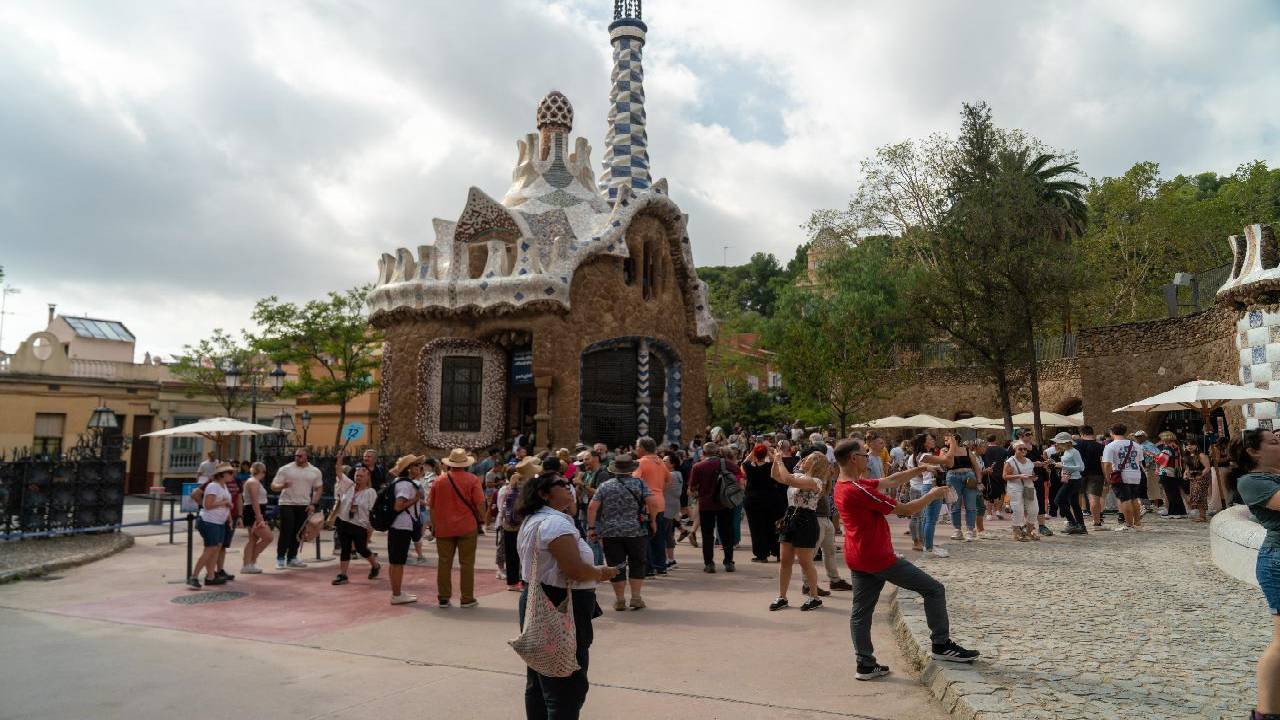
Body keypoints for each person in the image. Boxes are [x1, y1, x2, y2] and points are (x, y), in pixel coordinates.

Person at [832, 438, 978, 680]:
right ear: (853, 458)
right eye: (864, 454)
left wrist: (921, 469)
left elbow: (890, 481)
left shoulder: (845, 484)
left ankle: (865, 665)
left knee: (860, 613)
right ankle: (941, 645)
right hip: (877, 557)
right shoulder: (858, 490)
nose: (868, 457)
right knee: (934, 590)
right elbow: (907, 509)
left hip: (857, 556)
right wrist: (933, 494)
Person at [517, 466, 633, 718]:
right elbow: (576, 570)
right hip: (559, 604)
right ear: (544, 493)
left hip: (538, 598)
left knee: (540, 680)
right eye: (560, 483)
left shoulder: (534, 520)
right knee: (566, 687)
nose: (567, 484)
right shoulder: (555, 523)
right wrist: (599, 572)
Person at [1229, 429, 1280, 720]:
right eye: (1273, 442)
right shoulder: (1252, 481)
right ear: (1253, 451)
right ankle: (1267, 714)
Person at [587, 454, 655, 611]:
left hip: (610, 532)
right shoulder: (640, 484)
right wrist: (652, 521)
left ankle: (619, 600)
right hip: (636, 530)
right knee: (637, 562)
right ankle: (636, 597)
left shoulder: (605, 486)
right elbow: (653, 503)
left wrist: (591, 528)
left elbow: (592, 507)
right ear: (631, 469)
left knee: (615, 565)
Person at [768, 449, 831, 611]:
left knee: (805, 562)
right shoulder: (800, 476)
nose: (803, 460)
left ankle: (814, 597)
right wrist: (776, 461)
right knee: (785, 560)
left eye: (807, 458)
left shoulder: (816, 481)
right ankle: (782, 596)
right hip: (790, 516)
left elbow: (787, 478)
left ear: (815, 463)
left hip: (806, 519)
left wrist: (780, 461)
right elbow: (776, 476)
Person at [427, 448, 487, 609]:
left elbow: (431, 506)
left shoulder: (439, 481)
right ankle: (467, 598)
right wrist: (483, 519)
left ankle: (444, 598)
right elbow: (480, 503)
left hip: (444, 527)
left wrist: (433, 525)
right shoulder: (472, 480)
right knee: (467, 563)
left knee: (444, 563)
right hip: (467, 526)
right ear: (465, 464)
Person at [688, 443, 738, 573]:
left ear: (703, 453)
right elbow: (739, 473)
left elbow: (692, 487)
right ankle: (729, 562)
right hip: (724, 503)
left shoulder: (698, 467)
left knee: (707, 535)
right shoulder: (726, 464)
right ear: (717, 452)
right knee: (726, 533)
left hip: (706, 505)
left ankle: (709, 564)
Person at [270, 449, 323, 569]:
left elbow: (318, 488)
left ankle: (292, 557)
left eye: (300, 456)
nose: (297, 458)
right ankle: (280, 558)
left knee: (298, 532)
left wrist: (313, 504)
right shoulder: (285, 469)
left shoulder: (315, 471)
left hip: (304, 504)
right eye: (295, 456)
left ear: (306, 456)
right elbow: (273, 486)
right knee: (286, 531)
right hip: (287, 503)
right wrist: (283, 485)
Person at [331, 465, 381, 586]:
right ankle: (343, 575)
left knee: (361, 549)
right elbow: (338, 472)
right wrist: (339, 459)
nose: (358, 478)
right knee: (345, 549)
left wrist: (370, 529)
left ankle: (375, 565)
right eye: (356, 475)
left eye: (361, 476)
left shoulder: (370, 492)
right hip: (344, 522)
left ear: (367, 477)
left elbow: (372, 512)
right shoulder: (349, 486)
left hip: (360, 526)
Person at [387, 454, 425, 605]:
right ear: (409, 469)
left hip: (397, 526)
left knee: (395, 562)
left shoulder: (399, 482)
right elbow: (398, 505)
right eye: (416, 465)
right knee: (398, 563)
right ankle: (396, 595)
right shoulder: (406, 485)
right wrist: (416, 499)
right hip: (401, 526)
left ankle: (397, 592)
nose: (419, 468)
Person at [189, 463, 234, 589]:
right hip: (209, 521)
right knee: (211, 549)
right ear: (222, 474)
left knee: (216, 548)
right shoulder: (213, 486)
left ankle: (210, 576)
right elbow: (208, 505)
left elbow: (225, 505)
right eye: (230, 472)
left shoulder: (224, 486)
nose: (232, 475)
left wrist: (229, 518)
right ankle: (194, 576)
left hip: (219, 522)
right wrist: (225, 502)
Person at [632, 437, 670, 578]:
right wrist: (659, 490)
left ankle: (648, 569)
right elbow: (668, 480)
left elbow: (635, 481)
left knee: (645, 536)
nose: (636, 449)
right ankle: (661, 567)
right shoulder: (660, 461)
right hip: (660, 502)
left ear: (642, 448)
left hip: (646, 504)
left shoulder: (641, 462)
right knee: (659, 536)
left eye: (637, 446)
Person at [499, 458, 537, 591]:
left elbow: (502, 508)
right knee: (523, 554)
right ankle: (522, 581)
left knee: (511, 555)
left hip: (508, 525)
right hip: (521, 526)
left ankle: (512, 582)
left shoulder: (507, 489)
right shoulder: (527, 489)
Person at [907, 434, 946, 556]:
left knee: (926, 518)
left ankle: (926, 544)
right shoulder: (925, 456)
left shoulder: (922, 455)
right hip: (930, 485)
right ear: (924, 443)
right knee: (930, 519)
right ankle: (928, 547)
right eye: (930, 439)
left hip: (927, 485)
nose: (933, 441)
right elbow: (947, 461)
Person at [742, 443, 782, 563]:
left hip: (753, 500)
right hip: (769, 499)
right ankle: (777, 551)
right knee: (771, 526)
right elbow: (776, 461)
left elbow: (743, 462)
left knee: (756, 528)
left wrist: (753, 451)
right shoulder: (770, 466)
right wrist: (768, 451)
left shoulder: (749, 467)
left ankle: (761, 554)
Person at [1102, 423, 1144, 531]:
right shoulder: (1136, 445)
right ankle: (1138, 523)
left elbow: (1107, 464)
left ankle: (1129, 525)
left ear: (1112, 432)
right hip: (1136, 474)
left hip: (1120, 475)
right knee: (1134, 498)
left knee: (1125, 499)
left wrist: (1107, 478)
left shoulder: (1110, 446)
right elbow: (1139, 461)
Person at [942, 434, 980, 542]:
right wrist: (951, 450)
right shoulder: (945, 451)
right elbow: (948, 464)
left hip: (969, 476)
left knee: (971, 505)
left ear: (955, 440)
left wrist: (980, 481)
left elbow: (976, 467)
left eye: (947, 440)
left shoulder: (967, 451)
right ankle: (957, 530)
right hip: (953, 477)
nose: (945, 442)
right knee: (955, 504)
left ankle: (970, 530)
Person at [239, 461, 273, 574]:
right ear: (263, 471)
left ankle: (248, 564)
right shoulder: (254, 482)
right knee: (268, 537)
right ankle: (251, 561)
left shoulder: (254, 481)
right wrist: (259, 517)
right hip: (255, 513)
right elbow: (254, 500)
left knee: (253, 539)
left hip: (254, 511)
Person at [1049, 432, 1087, 534]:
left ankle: (1073, 523)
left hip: (1073, 480)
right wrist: (1059, 464)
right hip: (1070, 479)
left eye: (1058, 443)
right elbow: (1069, 464)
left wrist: (1062, 466)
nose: (1056, 445)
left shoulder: (1074, 452)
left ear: (1065, 443)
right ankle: (1081, 526)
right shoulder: (1067, 451)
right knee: (1074, 503)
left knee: (1058, 500)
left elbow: (1081, 467)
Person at [1004, 443, 1041, 541]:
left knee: (1034, 510)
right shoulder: (1010, 461)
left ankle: (1029, 530)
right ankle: (1017, 533)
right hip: (1015, 488)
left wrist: (1034, 477)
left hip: (1029, 486)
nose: (1023, 451)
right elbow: (1004, 476)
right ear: (1014, 449)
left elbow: (1031, 473)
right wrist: (1019, 476)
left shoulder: (1028, 461)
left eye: (1025, 449)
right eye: (1020, 449)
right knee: (1018, 510)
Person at [1076, 426, 1107, 527]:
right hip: (1097, 474)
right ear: (1092, 433)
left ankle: (1078, 521)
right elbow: (1103, 462)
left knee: (1077, 497)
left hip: (1079, 473)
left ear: (1082, 433)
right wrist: (1106, 476)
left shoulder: (1076, 445)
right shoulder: (1100, 446)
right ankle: (1097, 521)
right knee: (1094, 498)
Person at [1154, 431, 1188, 519]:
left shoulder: (1167, 449)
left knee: (1170, 494)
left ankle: (1174, 513)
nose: (1161, 440)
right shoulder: (1177, 448)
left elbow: (1160, 460)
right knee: (1176, 493)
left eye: (1162, 439)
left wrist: (1154, 456)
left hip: (1166, 473)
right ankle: (1181, 512)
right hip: (1175, 472)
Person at [661, 453, 684, 570]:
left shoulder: (670, 475)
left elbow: (662, 488)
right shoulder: (678, 474)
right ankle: (671, 559)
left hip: (667, 506)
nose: (662, 462)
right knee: (669, 534)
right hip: (673, 506)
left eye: (665, 461)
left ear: (672, 464)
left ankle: (666, 560)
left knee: (664, 534)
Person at [980, 434, 1007, 522]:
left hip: (988, 473)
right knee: (1001, 492)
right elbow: (1005, 461)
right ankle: (998, 510)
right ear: (995, 439)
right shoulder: (1002, 450)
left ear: (987, 440)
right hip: (1000, 473)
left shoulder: (984, 450)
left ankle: (989, 513)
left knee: (989, 494)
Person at [1185, 439, 1211, 522]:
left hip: (1201, 478)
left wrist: (1201, 475)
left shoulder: (1201, 455)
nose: (1189, 446)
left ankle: (1202, 516)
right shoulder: (1188, 456)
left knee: (1200, 496)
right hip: (1192, 478)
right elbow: (1188, 467)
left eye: (1191, 444)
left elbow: (1207, 467)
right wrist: (1185, 474)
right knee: (1194, 496)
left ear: (1196, 446)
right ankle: (1200, 515)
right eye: (1187, 445)